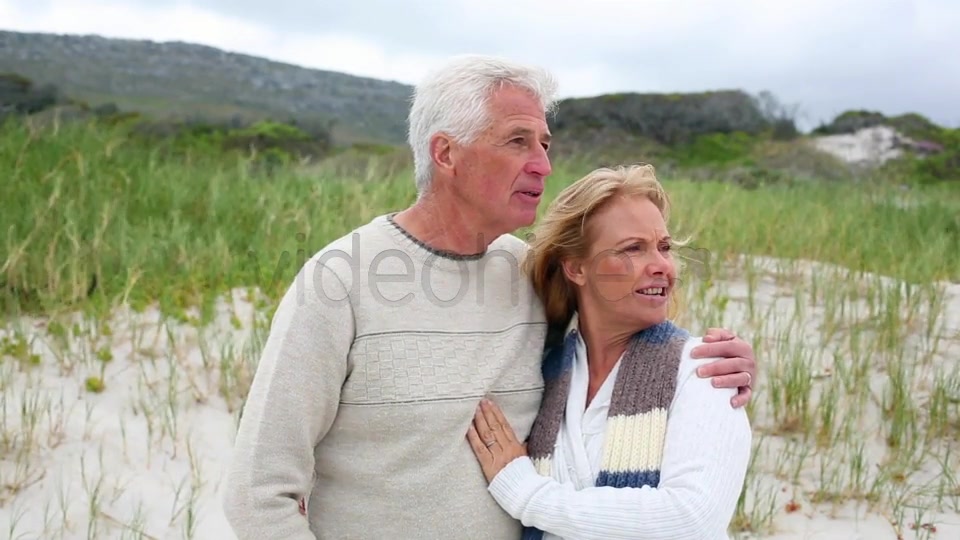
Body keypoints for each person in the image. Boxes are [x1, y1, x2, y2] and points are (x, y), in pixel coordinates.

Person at [222, 55, 756, 540]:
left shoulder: (524, 273)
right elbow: (259, 492)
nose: (543, 164)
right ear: (447, 153)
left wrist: (722, 364)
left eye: (545, 144)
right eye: (518, 141)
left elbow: (620, 324)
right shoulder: (339, 280)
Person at [466, 164, 752, 539]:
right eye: (633, 248)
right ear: (576, 268)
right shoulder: (546, 372)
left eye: (664, 247)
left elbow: (692, 518)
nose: (662, 266)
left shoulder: (704, 369)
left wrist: (527, 494)